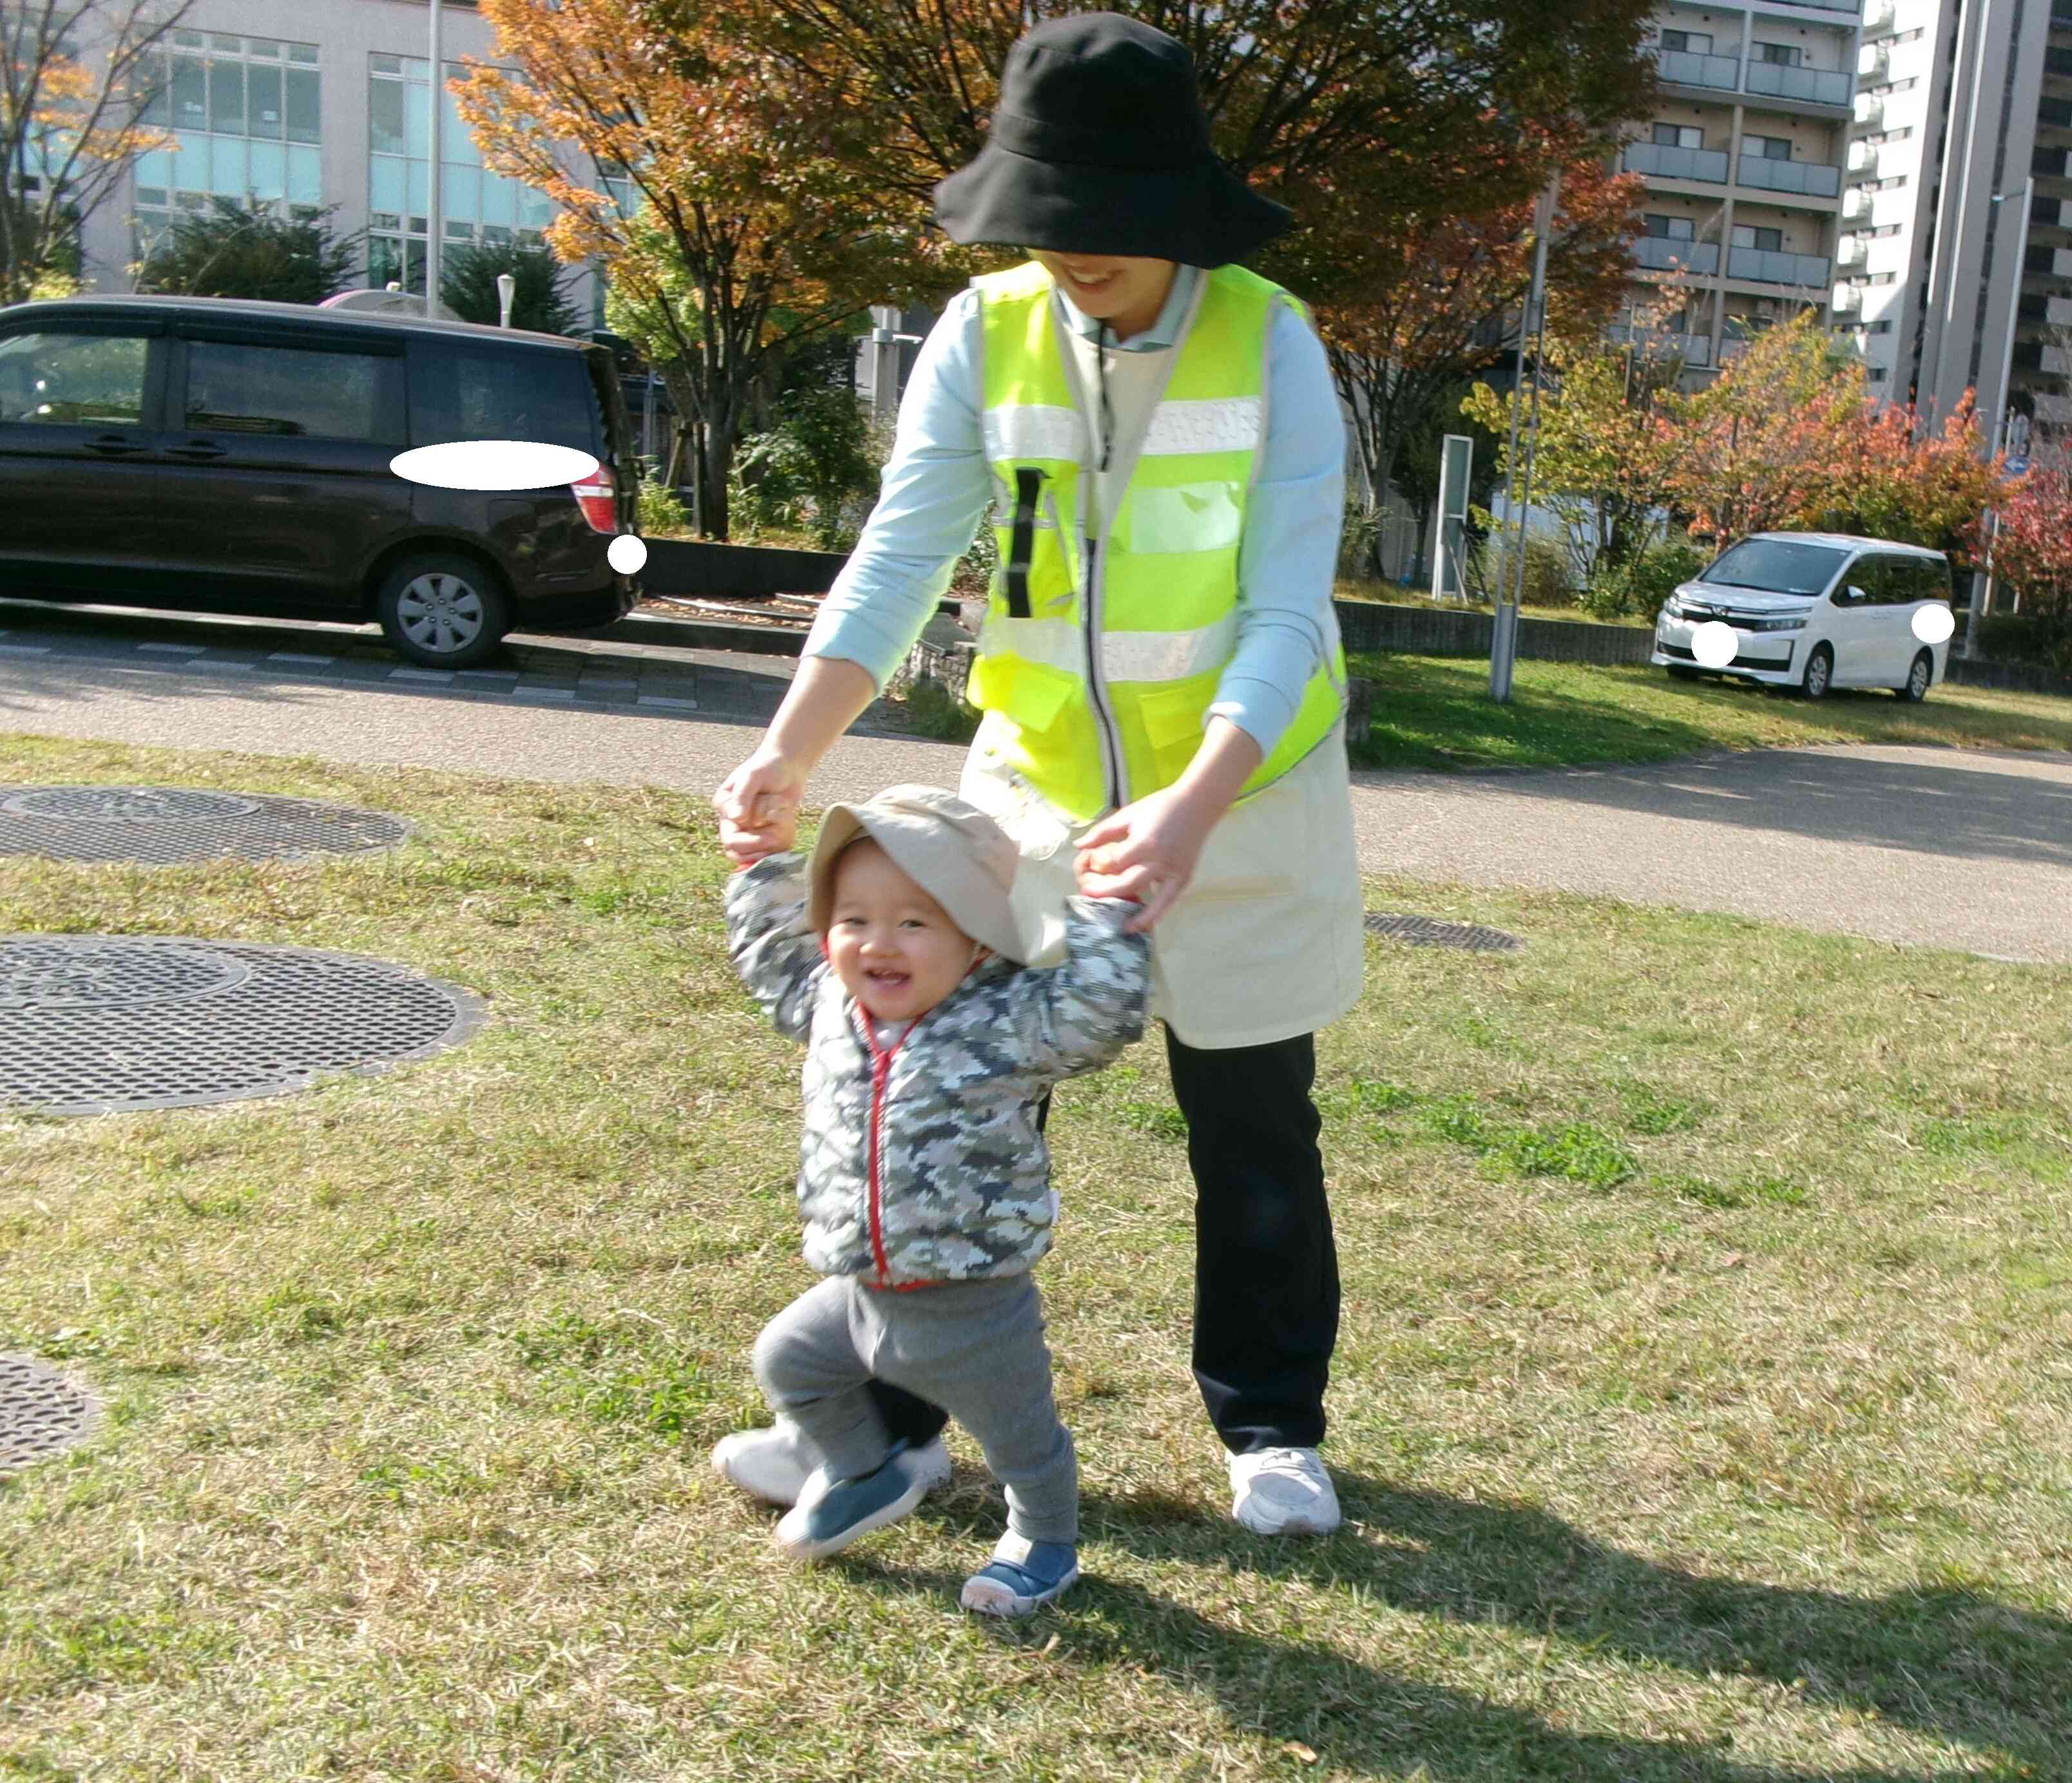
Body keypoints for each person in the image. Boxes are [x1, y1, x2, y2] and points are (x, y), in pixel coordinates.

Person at [712, 12, 1363, 1536]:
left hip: (1244, 797)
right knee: (942, 1109)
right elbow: (902, 551)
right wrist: (790, 743)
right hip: (1028, 803)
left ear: (1182, 207)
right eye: (1047, 214)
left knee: (1254, 1124)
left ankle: (1271, 1427)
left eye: (1109, 219)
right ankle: (892, 1430)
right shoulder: (984, 331)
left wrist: (1196, 803)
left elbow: (1288, 608)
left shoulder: (1271, 337)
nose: (1075, 249)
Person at [722, 785, 1149, 1616]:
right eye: (853, 919)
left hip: (971, 1306)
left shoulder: (1010, 1021)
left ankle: (1045, 1541)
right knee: (788, 1363)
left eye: (914, 922)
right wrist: (760, 864)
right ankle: (865, 1469)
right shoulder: (832, 1004)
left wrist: (1107, 911)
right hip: (859, 1290)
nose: (879, 943)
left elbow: (1100, 1012)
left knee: (1022, 1442)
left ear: (977, 940)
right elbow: (773, 957)